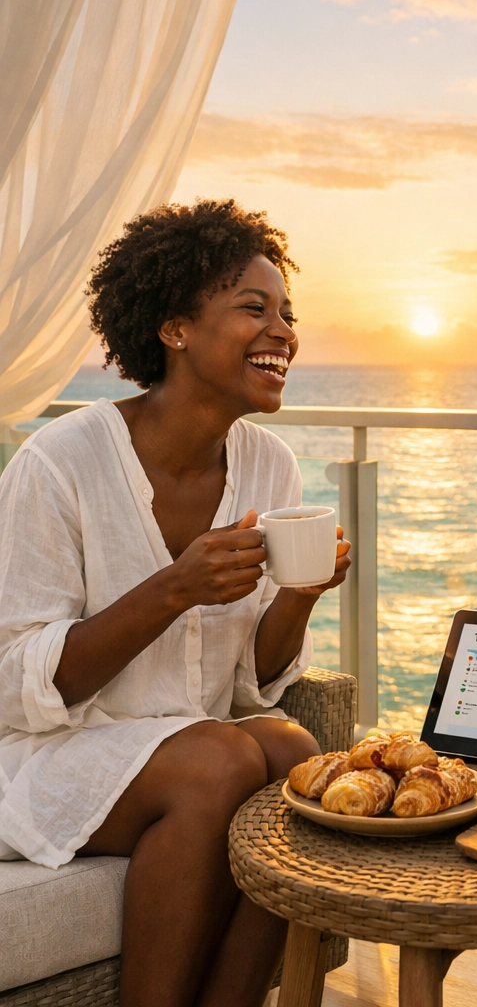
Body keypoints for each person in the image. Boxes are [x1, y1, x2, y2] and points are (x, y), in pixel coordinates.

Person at [0, 200, 351, 1007]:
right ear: (175, 328)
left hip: (183, 743)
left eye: (287, 314)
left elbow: (248, 685)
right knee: (220, 759)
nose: (284, 332)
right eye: (253, 309)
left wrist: (298, 597)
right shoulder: (60, 463)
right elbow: (16, 681)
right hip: (45, 751)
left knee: (295, 753)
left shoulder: (269, 466)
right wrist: (173, 590)